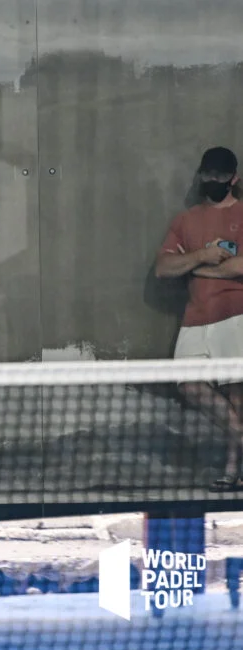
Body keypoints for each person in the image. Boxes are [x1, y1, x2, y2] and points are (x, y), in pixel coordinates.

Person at [155, 146, 243, 492]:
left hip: (235, 315)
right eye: (208, 174)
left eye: (220, 175)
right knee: (188, 384)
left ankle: (233, 468)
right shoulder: (186, 220)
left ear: (233, 178)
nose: (213, 180)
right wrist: (205, 255)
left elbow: (240, 266)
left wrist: (195, 267)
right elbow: (164, 268)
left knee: (236, 394)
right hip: (194, 318)